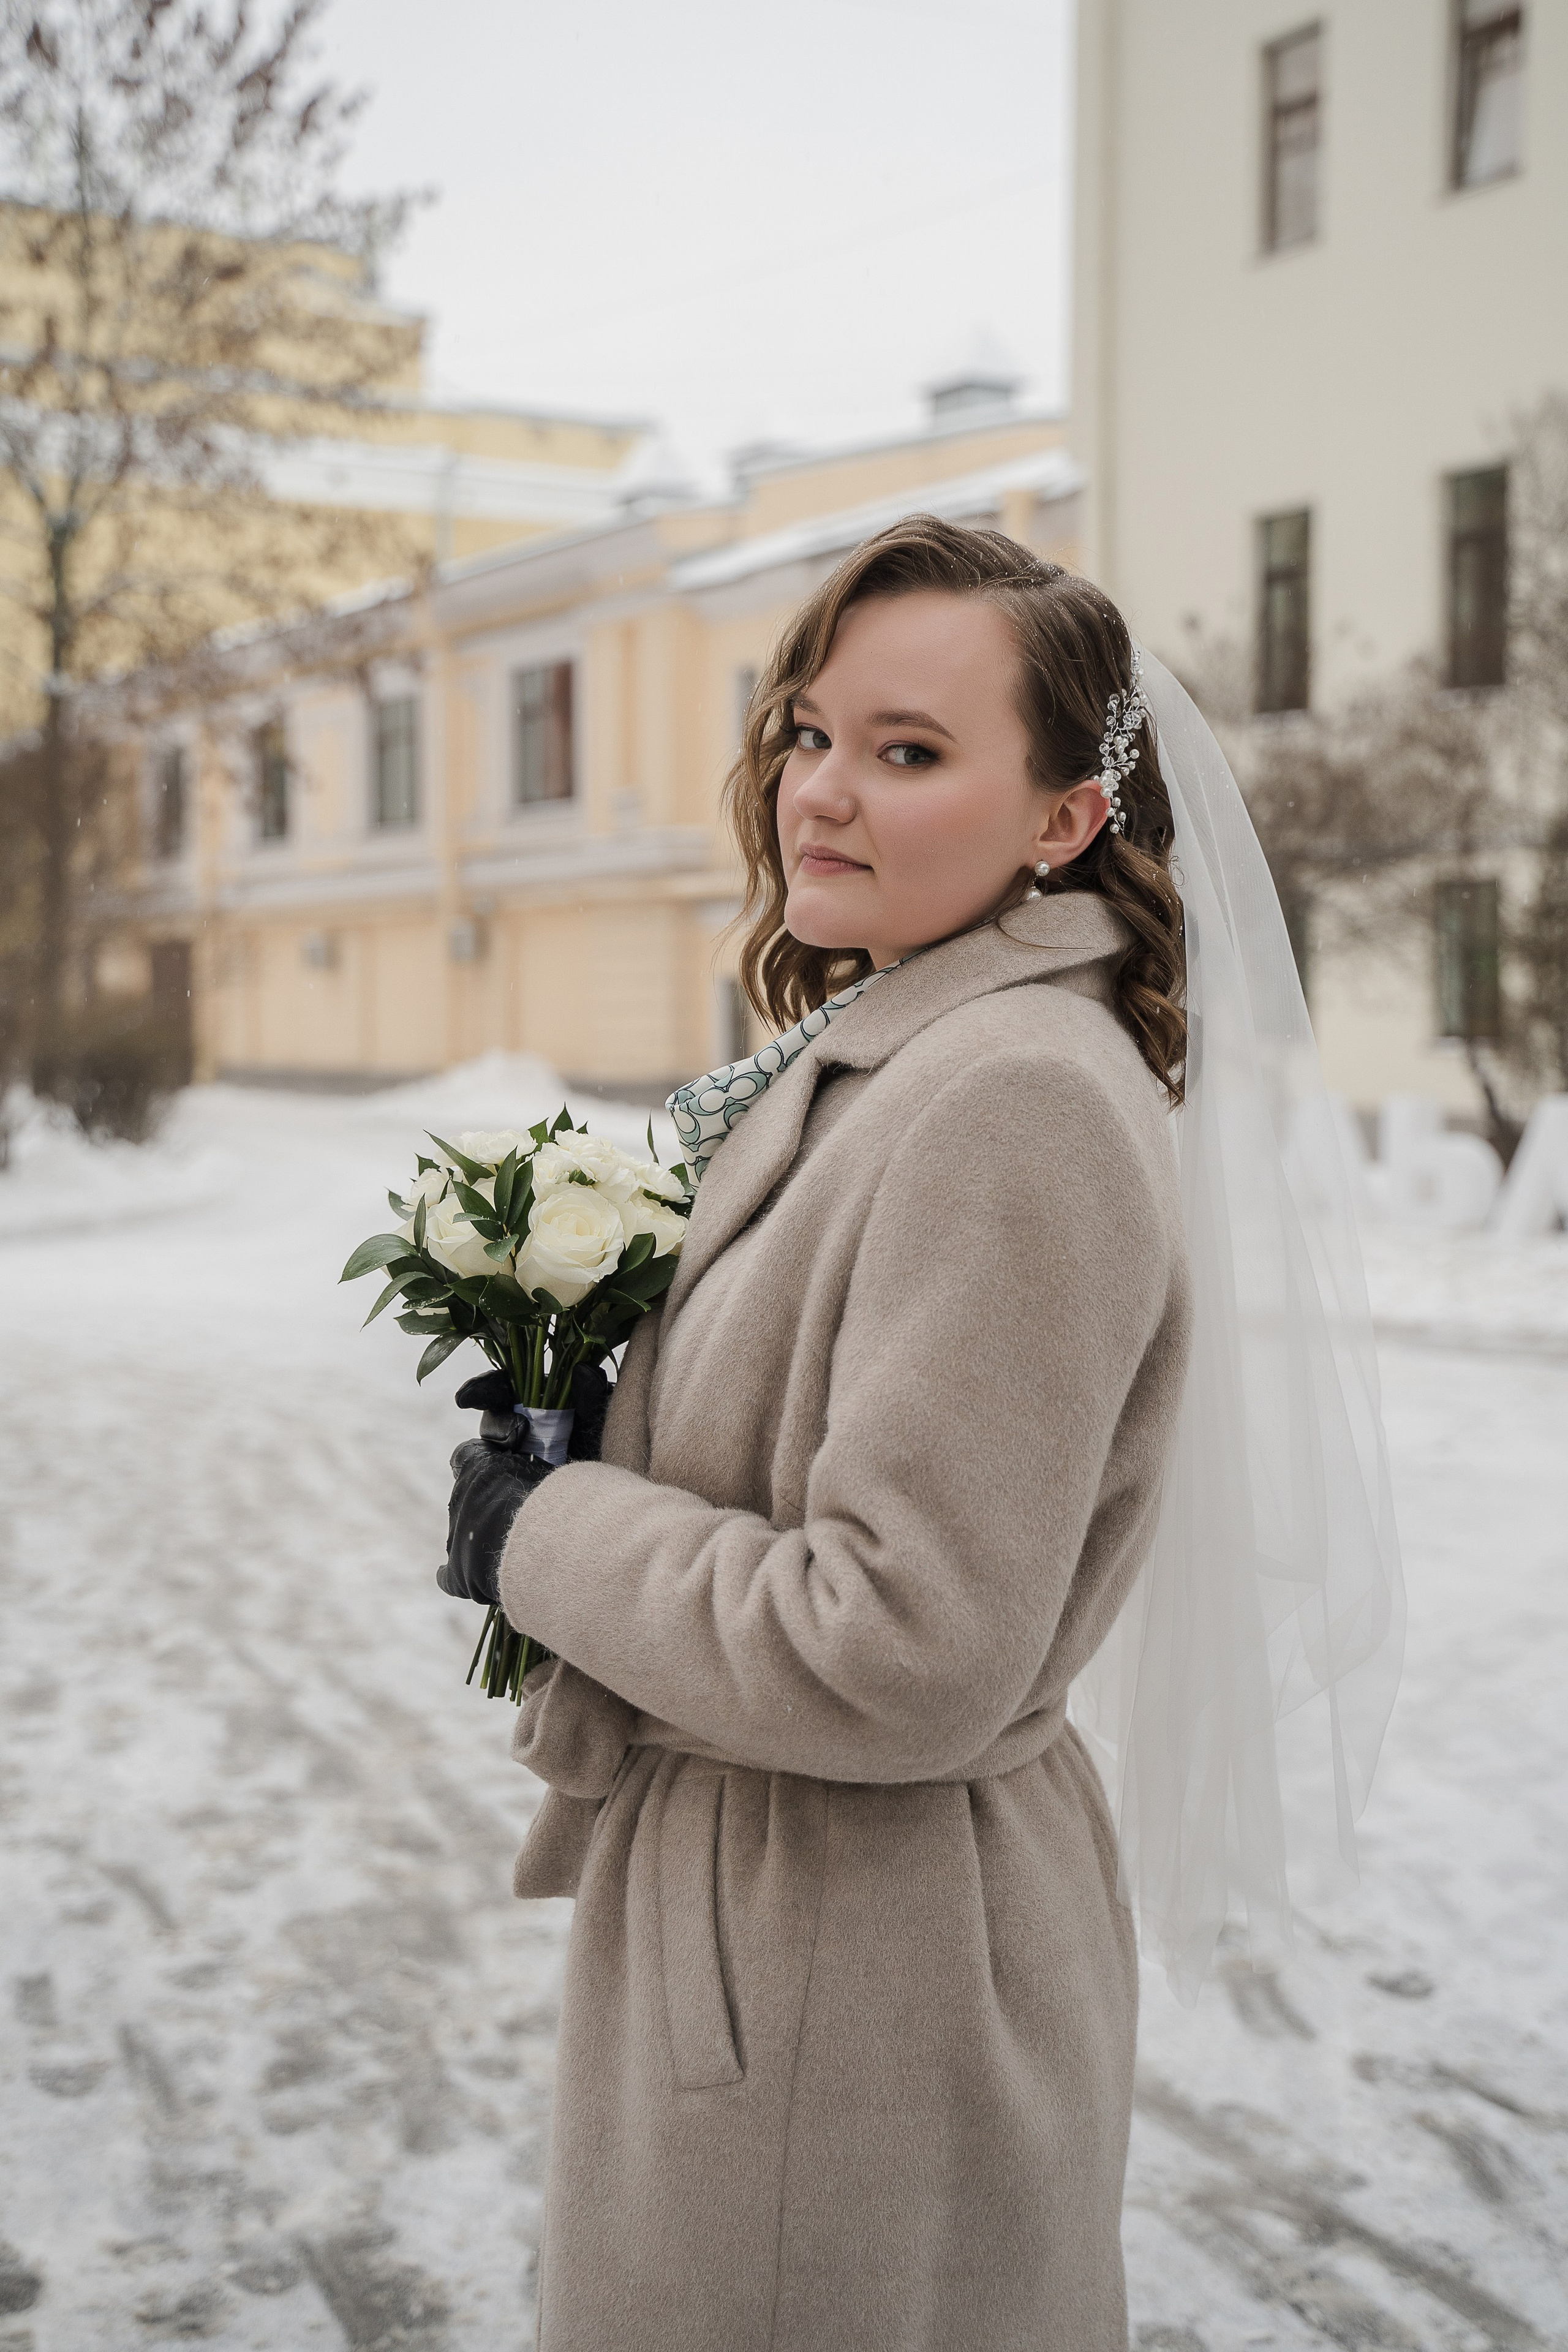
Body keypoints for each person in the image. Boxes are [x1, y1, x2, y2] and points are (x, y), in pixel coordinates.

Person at [437, 516, 1400, 2351]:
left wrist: (540, 1534)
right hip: (800, 1936)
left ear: (1061, 819)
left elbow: (905, 1648)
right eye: (810, 734)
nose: (822, 793)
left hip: (840, 1969)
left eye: (909, 752)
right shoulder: (912, 1050)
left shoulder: (1013, 1099)